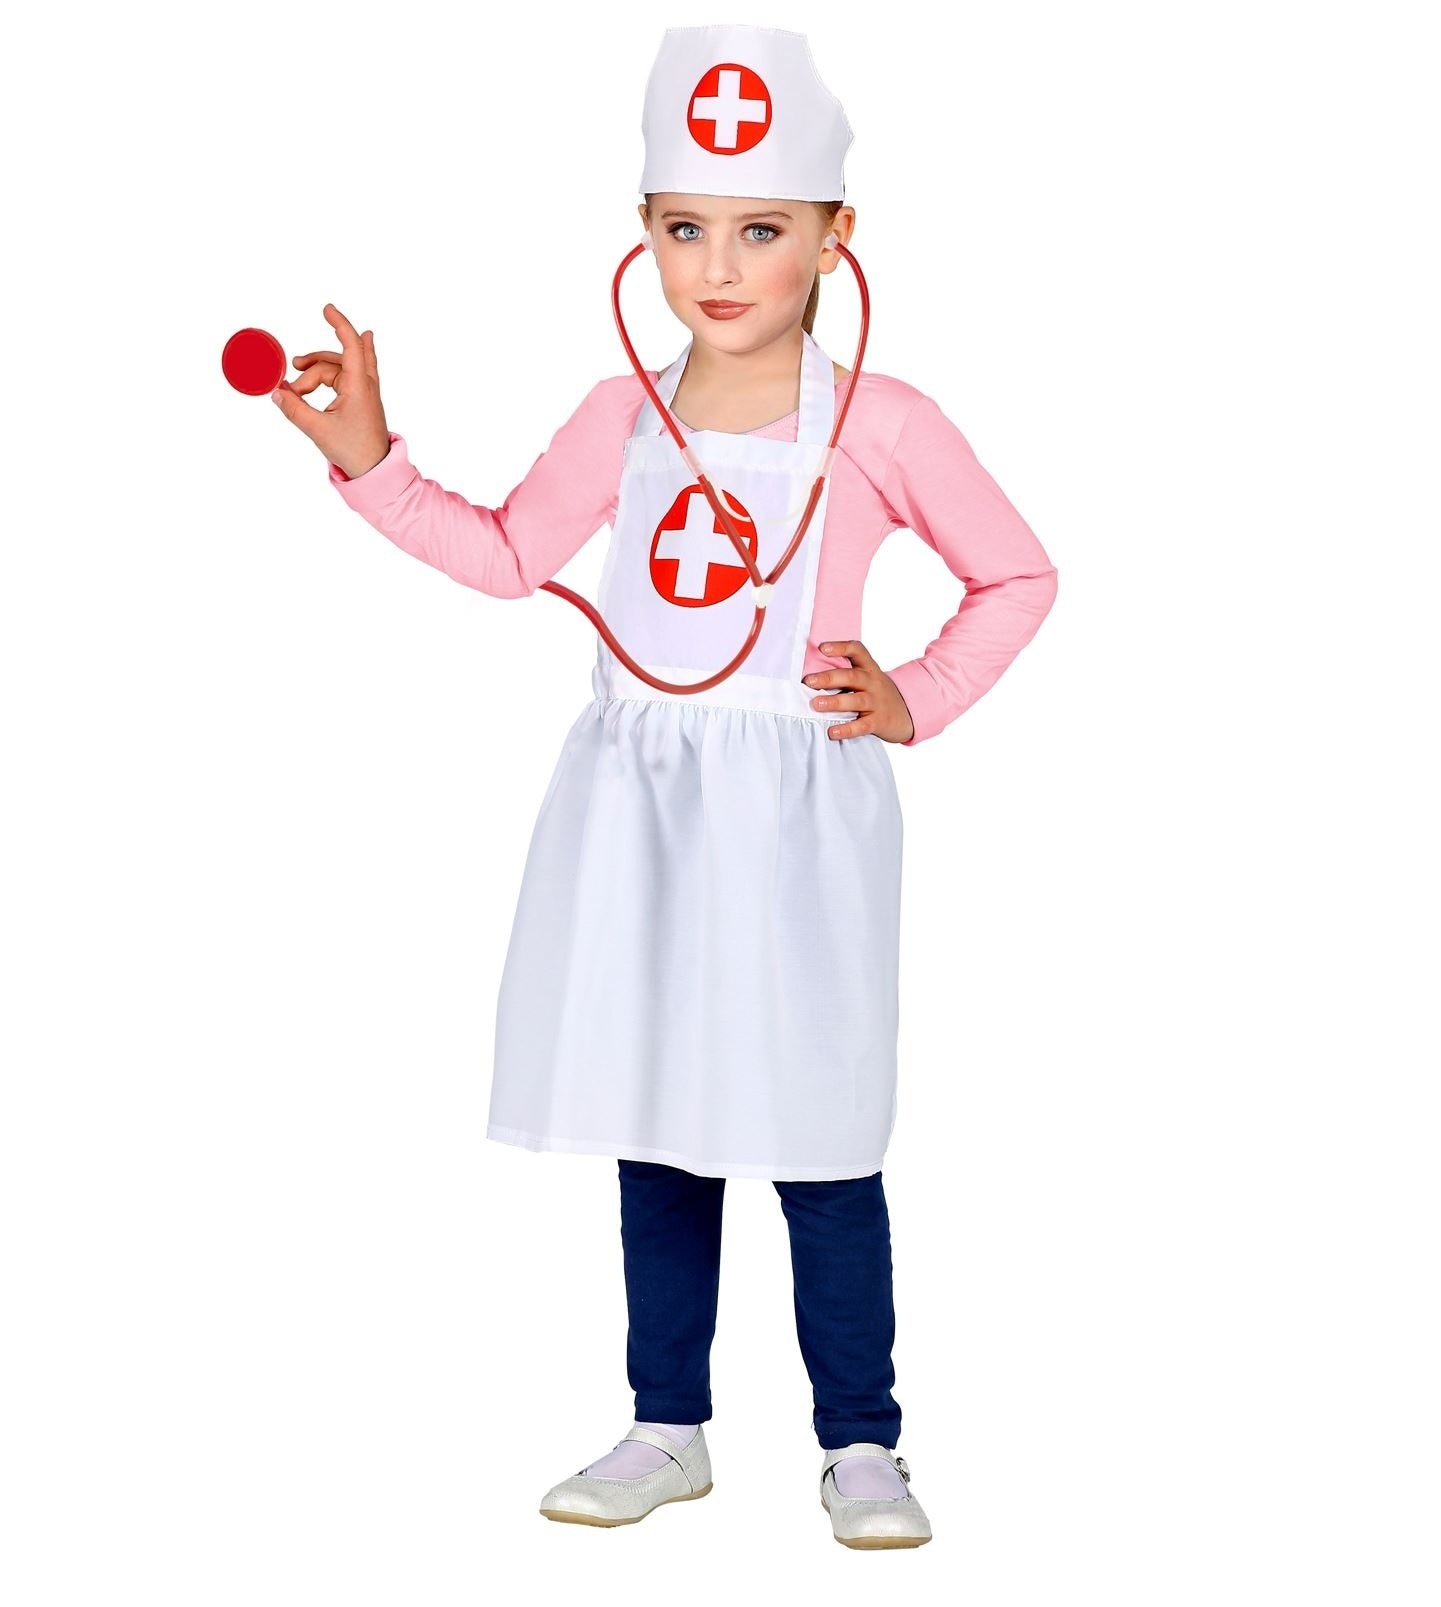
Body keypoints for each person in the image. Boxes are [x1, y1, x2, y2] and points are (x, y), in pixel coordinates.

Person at [270, 23, 1058, 1551]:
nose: (719, 265)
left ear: (835, 233)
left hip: (800, 820)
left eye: (761, 228)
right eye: (686, 227)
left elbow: (1017, 574)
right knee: (661, 1121)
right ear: (641, 231)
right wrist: (369, 460)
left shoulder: (883, 423)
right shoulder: (619, 416)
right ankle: (665, 1427)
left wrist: (916, 695)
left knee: (820, 1131)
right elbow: (509, 555)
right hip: (639, 811)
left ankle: (861, 1440)